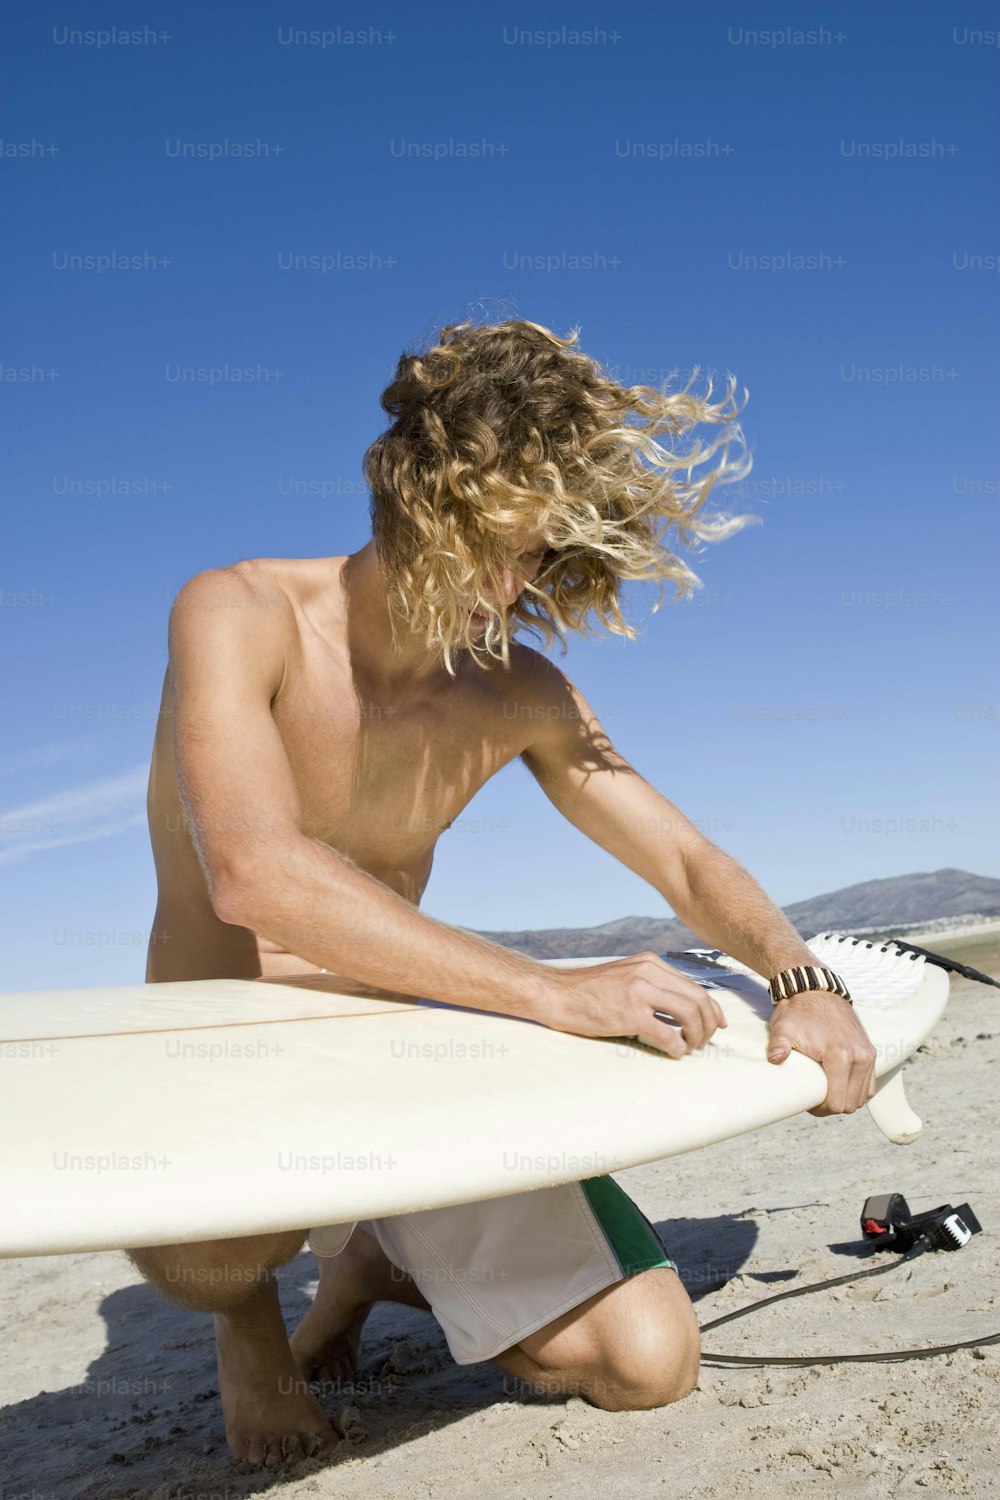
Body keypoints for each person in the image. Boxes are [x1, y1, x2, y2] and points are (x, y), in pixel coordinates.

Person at [131, 318, 877, 1470]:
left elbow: (682, 860)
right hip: (228, 1043)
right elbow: (255, 872)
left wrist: (801, 974)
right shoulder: (238, 612)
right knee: (216, 1257)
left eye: (531, 555)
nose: (506, 585)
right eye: (488, 545)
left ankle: (378, 1260)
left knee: (646, 1364)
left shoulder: (513, 687)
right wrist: (548, 991)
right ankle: (255, 1326)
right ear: (413, 501)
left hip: (404, 1030)